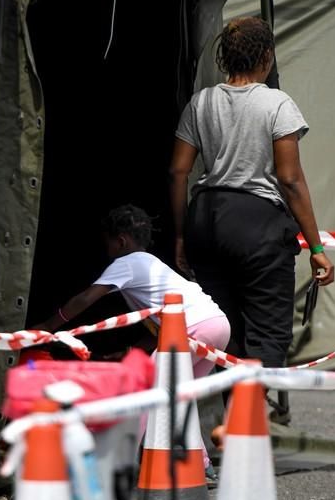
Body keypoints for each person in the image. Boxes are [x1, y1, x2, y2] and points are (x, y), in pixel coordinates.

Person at [169, 15, 334, 375]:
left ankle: (230, 421)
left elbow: (178, 171)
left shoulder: (201, 102)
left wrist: (181, 235)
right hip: (257, 225)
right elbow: (290, 179)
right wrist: (317, 248)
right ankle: (240, 425)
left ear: (226, 57)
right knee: (268, 334)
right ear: (267, 58)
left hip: (206, 221)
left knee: (226, 333)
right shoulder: (277, 104)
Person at [34, 203, 231, 482]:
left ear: (121, 240)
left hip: (192, 327)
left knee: (143, 392)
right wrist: (130, 351)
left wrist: (49, 325)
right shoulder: (153, 266)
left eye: (108, 244)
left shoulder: (126, 263)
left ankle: (119, 467)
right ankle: (202, 466)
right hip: (218, 325)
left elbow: (86, 298)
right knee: (179, 398)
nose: (107, 251)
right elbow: (164, 326)